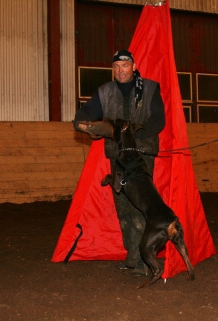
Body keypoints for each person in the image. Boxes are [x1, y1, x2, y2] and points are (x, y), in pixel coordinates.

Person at [74, 49, 166, 275]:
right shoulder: (105, 92)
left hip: (141, 157)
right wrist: (81, 123)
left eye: (125, 65)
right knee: (124, 210)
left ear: (133, 67)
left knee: (142, 207)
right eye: (116, 66)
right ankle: (133, 258)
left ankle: (147, 260)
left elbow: (158, 120)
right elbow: (85, 113)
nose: (120, 70)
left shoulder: (151, 88)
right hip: (118, 157)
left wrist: (133, 136)